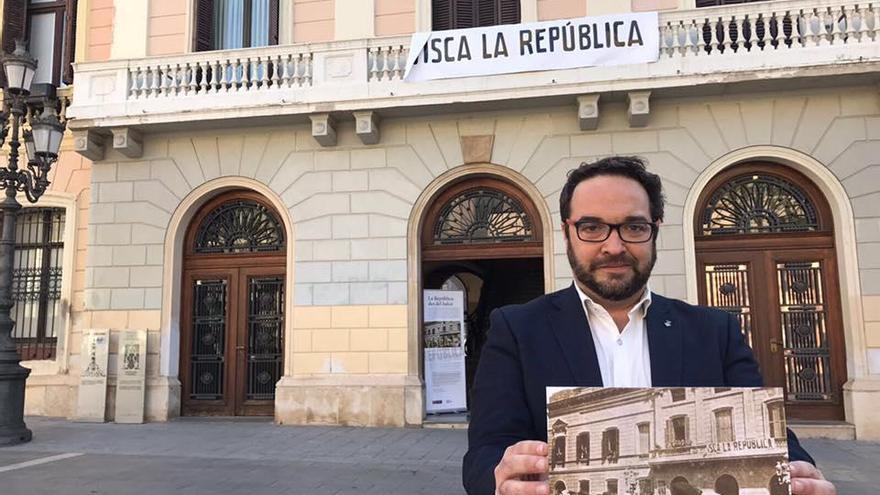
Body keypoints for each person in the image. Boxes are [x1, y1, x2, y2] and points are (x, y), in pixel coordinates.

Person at [461, 157, 837, 495]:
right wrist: (499, 479)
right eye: (592, 227)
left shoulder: (715, 331)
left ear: (655, 229)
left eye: (634, 226)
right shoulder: (517, 329)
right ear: (566, 232)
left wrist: (801, 474)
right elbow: (484, 453)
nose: (613, 246)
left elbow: (769, 431)